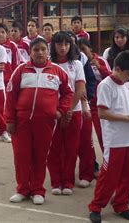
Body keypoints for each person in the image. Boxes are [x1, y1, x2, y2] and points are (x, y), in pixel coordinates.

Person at [6, 38, 73, 205]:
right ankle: (22, 189)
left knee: (40, 157)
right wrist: (10, 120)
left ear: (48, 51)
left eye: (43, 49)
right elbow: (10, 96)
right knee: (21, 157)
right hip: (22, 122)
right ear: (30, 52)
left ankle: (37, 190)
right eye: (36, 49)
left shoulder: (57, 71)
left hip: (45, 123)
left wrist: (60, 111)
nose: (40, 52)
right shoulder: (21, 70)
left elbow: (68, 93)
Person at [88, 51, 129, 223]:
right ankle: (96, 206)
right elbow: (102, 113)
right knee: (109, 176)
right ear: (117, 68)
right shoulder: (106, 85)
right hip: (114, 140)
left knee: (127, 175)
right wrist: (127, 118)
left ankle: (121, 204)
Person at [48, 31, 88, 196]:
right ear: (53, 46)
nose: (63, 47)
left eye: (66, 44)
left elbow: (80, 89)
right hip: (53, 113)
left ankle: (68, 182)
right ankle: (56, 181)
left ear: (71, 45)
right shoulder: (48, 64)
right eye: (59, 44)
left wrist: (69, 110)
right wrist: (59, 111)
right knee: (54, 149)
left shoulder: (76, 64)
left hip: (74, 112)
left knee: (71, 149)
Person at [78, 38, 111, 187]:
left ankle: (109, 166)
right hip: (83, 105)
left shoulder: (101, 60)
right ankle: (93, 167)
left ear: (91, 49)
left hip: (99, 105)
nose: (82, 53)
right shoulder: (77, 63)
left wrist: (99, 66)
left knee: (104, 138)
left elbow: (111, 77)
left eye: (84, 50)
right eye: (79, 50)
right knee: (86, 140)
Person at [0, 23, 19, 88]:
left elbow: (16, 63)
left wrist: (14, 78)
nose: (0, 34)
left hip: (8, 80)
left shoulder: (12, 45)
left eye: (3, 32)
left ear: (7, 34)